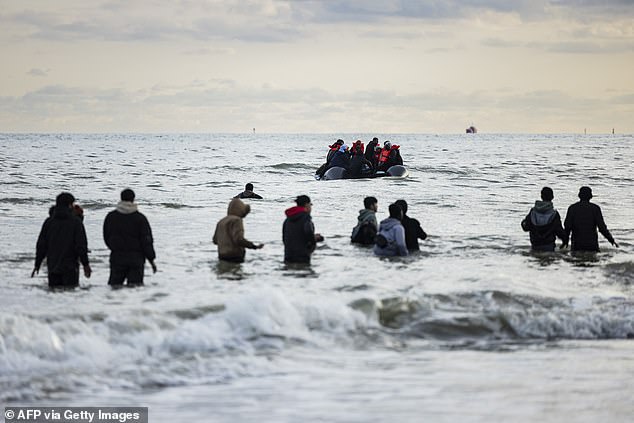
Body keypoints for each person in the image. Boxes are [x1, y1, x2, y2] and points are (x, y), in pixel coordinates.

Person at [32, 192, 91, 288]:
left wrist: (37, 263)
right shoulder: (76, 222)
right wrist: (86, 264)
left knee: (54, 292)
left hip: (52, 265)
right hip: (70, 266)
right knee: (70, 293)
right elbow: (81, 245)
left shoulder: (49, 222)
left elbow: (41, 245)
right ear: (70, 205)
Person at [103, 188, 157, 286]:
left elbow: (107, 236)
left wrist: (114, 248)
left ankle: (111, 302)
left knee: (114, 288)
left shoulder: (111, 217)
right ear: (133, 199)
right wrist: (151, 259)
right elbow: (146, 241)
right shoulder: (140, 218)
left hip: (117, 257)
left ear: (121, 198)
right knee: (135, 289)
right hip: (136, 258)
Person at [562, 186, 618, 252]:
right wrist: (611, 240)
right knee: (592, 260)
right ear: (591, 196)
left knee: (576, 260)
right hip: (592, 243)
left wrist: (565, 241)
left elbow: (567, 226)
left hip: (577, 243)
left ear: (579, 195)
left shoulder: (572, 208)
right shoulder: (595, 208)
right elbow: (602, 228)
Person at [213, 197, 263, 263]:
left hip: (222, 255)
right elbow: (238, 239)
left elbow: (215, 240)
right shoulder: (237, 220)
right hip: (235, 256)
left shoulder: (221, 221)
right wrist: (253, 246)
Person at [520, 187, 567, 252]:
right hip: (549, 245)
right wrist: (565, 240)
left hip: (535, 244)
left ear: (541, 196)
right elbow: (559, 231)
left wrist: (522, 222)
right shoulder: (554, 214)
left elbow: (526, 227)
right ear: (552, 197)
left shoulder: (533, 212)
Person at [283, 195, 323, 263]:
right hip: (302, 256)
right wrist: (314, 241)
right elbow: (308, 231)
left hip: (288, 255)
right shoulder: (305, 217)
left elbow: (284, 238)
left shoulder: (288, 219)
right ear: (306, 205)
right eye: (310, 205)